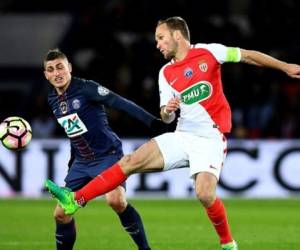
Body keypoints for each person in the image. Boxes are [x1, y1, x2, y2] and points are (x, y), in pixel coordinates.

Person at [45, 17, 300, 250]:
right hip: (182, 134)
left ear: (177, 35)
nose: (157, 44)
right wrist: (167, 111)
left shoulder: (210, 52)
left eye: (161, 37)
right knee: (129, 161)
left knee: (204, 194)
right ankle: (75, 199)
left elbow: (248, 56)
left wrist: (285, 66)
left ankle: (227, 243)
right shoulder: (165, 73)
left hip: (210, 137)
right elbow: (166, 116)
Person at [43, 48, 166, 250]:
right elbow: (74, 133)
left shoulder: (86, 88)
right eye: (51, 69)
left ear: (69, 68)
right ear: (46, 75)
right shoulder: (52, 100)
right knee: (61, 214)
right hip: (81, 162)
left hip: (107, 155)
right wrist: (72, 164)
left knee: (116, 200)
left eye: (60, 67)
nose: (56, 73)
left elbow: (120, 103)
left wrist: (153, 123)